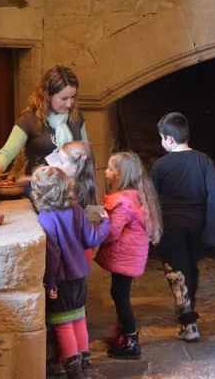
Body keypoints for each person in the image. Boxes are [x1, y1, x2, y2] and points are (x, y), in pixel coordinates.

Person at [32, 166, 110, 379]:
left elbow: (53, 255)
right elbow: (91, 240)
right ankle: (85, 360)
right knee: (79, 319)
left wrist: (52, 283)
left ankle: (73, 368)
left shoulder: (46, 218)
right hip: (80, 277)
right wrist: (105, 222)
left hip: (63, 280)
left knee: (63, 324)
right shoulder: (76, 211)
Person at [150, 112, 215, 342]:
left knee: (176, 273)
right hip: (197, 225)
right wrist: (210, 227)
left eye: (161, 138)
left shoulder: (160, 165)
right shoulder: (204, 160)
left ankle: (188, 325)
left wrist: (152, 228)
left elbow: (152, 199)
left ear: (169, 139)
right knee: (191, 268)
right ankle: (189, 313)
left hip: (171, 227)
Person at [94, 152, 162, 360]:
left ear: (120, 174)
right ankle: (124, 332)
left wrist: (98, 221)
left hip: (125, 256)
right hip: (131, 255)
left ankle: (131, 341)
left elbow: (112, 232)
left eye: (110, 169)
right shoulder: (137, 196)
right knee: (120, 293)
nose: (106, 172)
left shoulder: (122, 202)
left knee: (120, 296)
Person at [0, 65, 88, 196]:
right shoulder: (29, 120)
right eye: (64, 98)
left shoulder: (76, 119)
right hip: (40, 194)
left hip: (72, 192)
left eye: (72, 97)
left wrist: (83, 162)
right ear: (48, 95)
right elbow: (6, 153)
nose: (69, 104)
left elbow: (86, 155)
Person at [59, 141, 99, 260]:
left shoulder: (70, 190)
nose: (59, 165)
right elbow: (95, 217)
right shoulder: (91, 186)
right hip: (84, 248)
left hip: (71, 251)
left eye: (62, 162)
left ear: (75, 166)